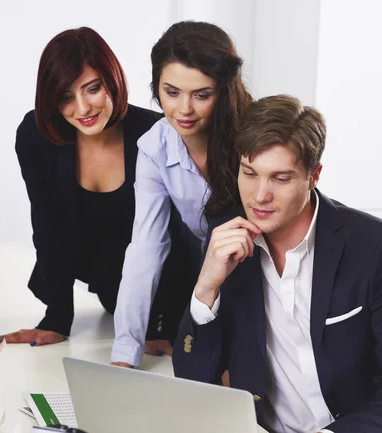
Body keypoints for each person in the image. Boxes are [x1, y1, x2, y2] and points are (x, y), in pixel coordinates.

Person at [173, 94, 382, 433]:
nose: (259, 195)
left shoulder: (375, 246)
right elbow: (194, 382)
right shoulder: (228, 239)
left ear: (314, 176)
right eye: (249, 173)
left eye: (280, 179)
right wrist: (206, 288)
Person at [3, 27, 187, 349]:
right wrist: (57, 320)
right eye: (65, 97)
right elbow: (47, 229)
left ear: (112, 79)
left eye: (92, 89)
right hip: (108, 291)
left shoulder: (155, 134)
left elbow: (174, 240)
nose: (83, 108)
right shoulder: (37, 136)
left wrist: (163, 326)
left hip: (168, 289)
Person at [110, 21, 252, 368]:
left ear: (224, 91)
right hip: (203, 281)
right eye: (171, 92)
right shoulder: (154, 148)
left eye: (201, 95)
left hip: (259, 276)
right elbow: (145, 249)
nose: (184, 109)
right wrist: (124, 356)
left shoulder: (256, 132)